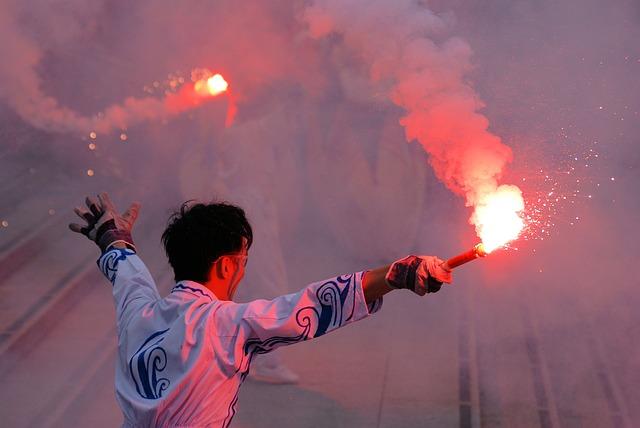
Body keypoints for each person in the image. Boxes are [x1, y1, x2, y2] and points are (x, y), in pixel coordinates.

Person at [69, 192, 452, 427]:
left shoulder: (140, 313)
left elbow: (127, 272)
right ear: (225, 265)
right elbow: (314, 303)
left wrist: (111, 235)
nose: (243, 268)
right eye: (243, 259)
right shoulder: (228, 325)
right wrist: (401, 273)